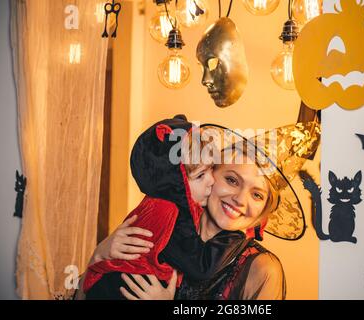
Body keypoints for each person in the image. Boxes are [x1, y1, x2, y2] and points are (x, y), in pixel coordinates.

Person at [88, 121, 321, 299]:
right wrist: (98, 256)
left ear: (263, 212)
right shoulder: (164, 224)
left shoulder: (261, 270)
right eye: (231, 180)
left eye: (257, 195)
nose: (240, 199)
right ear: (211, 175)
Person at [81, 115, 249, 299]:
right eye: (200, 175)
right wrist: (238, 235)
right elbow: (200, 266)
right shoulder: (168, 210)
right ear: (176, 181)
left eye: (211, 169)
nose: (211, 180)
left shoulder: (163, 203)